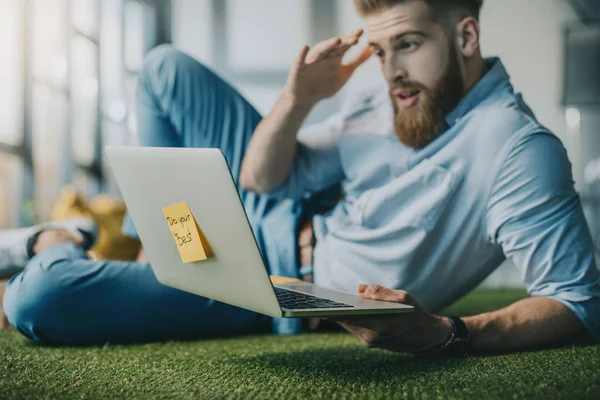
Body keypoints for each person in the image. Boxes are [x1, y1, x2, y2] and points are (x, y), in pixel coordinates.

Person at [1, 0, 598, 353]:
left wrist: (446, 332)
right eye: (382, 49)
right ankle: (136, 248)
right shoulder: (381, 100)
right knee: (165, 70)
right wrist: (296, 99)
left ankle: (53, 240)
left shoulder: (517, 148)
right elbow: (263, 181)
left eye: (408, 44)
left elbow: (578, 302)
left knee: (38, 295)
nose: (391, 71)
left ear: (465, 35)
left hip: (279, 287)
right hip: (267, 216)